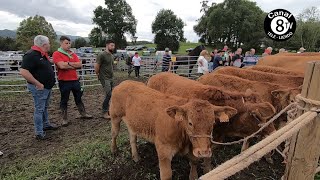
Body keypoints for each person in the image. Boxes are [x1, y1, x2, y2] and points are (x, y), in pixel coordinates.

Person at [20, 35, 58, 140]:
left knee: (44, 107)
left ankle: (45, 125)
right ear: (44, 45)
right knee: (39, 109)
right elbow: (23, 71)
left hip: (46, 86)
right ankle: (39, 132)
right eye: (49, 43)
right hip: (39, 87)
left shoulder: (42, 54)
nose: (50, 44)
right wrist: (37, 83)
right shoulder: (31, 55)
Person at [53, 36, 92, 126]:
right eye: (66, 43)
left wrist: (68, 64)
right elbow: (61, 66)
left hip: (75, 80)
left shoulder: (72, 54)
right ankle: (64, 118)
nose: (68, 45)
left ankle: (83, 113)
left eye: (69, 43)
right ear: (61, 43)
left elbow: (79, 65)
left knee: (78, 97)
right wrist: (72, 65)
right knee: (64, 99)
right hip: (64, 80)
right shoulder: (57, 53)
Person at [95, 40, 115, 119]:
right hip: (104, 77)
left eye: (113, 46)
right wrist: (98, 74)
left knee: (112, 94)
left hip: (111, 77)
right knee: (108, 94)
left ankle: (110, 110)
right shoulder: (102, 55)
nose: (113, 47)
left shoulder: (111, 55)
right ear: (107, 45)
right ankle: (104, 111)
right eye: (111, 45)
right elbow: (97, 65)